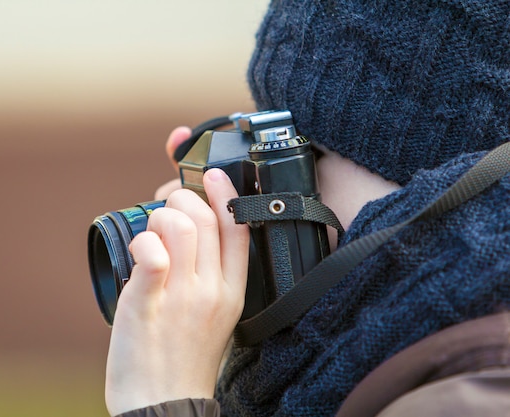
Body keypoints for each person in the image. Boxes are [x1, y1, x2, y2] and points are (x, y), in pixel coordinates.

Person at [103, 1, 510, 416]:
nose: (250, 186)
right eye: (255, 133)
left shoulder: (469, 394)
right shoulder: (349, 351)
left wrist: (164, 401)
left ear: (451, 186)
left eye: (301, 153)